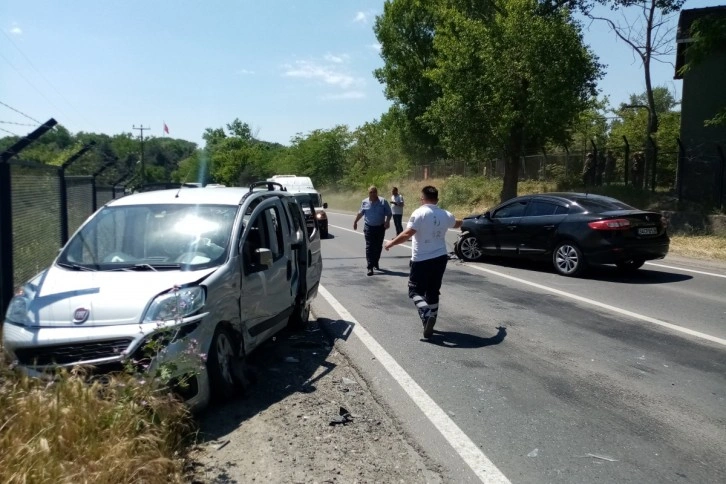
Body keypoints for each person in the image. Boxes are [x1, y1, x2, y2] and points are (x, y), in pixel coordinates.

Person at [384, 185, 462, 339]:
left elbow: (408, 233)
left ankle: (426, 314)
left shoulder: (419, 213)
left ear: (422, 199)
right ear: (437, 199)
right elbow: (457, 223)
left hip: (422, 259)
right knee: (433, 291)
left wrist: (391, 243)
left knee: (414, 292)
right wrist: (470, 220)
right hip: (440, 258)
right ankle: (431, 319)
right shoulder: (445, 214)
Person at [353, 186, 392, 276]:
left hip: (380, 227)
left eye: (374, 192)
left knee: (378, 246)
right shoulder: (365, 202)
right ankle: (370, 267)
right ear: (368, 193)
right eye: (371, 192)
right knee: (369, 246)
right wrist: (355, 222)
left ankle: (375, 261)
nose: (373, 194)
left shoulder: (383, 201)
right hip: (369, 227)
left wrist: (387, 221)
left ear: (377, 192)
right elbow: (360, 213)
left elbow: (389, 213)